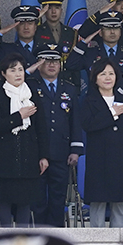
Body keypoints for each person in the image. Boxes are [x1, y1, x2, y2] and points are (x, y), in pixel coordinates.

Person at [0, 54, 48, 226]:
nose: (18, 74)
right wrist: (18, 116)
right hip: (6, 158)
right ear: (4, 74)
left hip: (29, 156)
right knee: (5, 200)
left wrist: (43, 156)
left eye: (20, 69)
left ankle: (22, 237)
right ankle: (5, 236)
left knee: (25, 201)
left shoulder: (31, 96)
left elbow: (41, 128)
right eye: (13, 70)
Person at [28, 46, 80, 226]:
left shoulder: (70, 89)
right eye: (46, 60)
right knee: (38, 198)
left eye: (55, 61)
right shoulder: (30, 86)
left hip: (61, 151)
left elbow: (75, 120)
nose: (51, 65)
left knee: (58, 198)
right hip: (37, 151)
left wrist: (75, 149)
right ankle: (40, 235)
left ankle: (57, 237)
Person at [77, 58, 123, 227]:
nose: (108, 78)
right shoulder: (88, 100)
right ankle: (95, 243)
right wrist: (112, 113)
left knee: (119, 203)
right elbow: (88, 125)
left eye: (111, 74)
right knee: (98, 203)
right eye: (103, 74)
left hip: (121, 159)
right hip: (99, 160)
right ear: (95, 78)